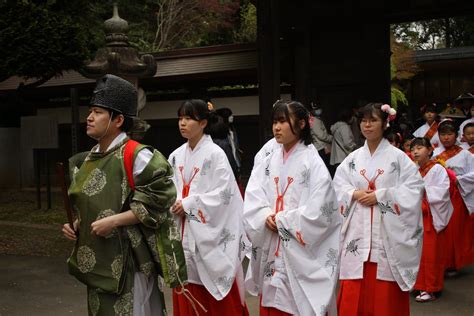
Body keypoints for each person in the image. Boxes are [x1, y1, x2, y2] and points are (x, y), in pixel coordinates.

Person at [62, 74, 186, 316]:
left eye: (98, 112)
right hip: (98, 262)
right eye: (91, 111)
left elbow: (160, 201)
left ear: (118, 119)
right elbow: (92, 204)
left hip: (130, 261)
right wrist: (76, 224)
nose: (89, 117)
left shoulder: (137, 155)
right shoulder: (89, 158)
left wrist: (115, 221)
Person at [244, 100, 341, 316]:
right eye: (274, 122)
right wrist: (264, 216)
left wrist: (281, 220)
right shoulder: (268, 160)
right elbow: (253, 195)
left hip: (298, 253)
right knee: (272, 298)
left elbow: (321, 213)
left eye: (282, 122)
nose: (276, 128)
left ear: (302, 124)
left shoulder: (313, 163)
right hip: (272, 244)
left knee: (296, 304)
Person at [333, 102, 424, 316]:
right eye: (363, 120)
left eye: (373, 120)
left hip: (386, 235)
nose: (367, 125)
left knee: (384, 296)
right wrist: (354, 194)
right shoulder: (353, 159)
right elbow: (337, 186)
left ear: (385, 123)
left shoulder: (399, 158)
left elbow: (414, 188)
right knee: (354, 289)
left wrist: (381, 196)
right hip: (357, 231)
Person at [168, 99, 250, 316]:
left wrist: (189, 204)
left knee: (215, 289)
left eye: (188, 118)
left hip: (207, 237)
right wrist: (173, 202)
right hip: (183, 232)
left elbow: (224, 197)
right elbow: (168, 188)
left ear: (203, 123)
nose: (182, 123)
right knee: (186, 280)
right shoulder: (175, 156)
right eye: (180, 118)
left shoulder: (215, 154)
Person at [410, 137, 453, 302]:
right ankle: (418, 283)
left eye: (420, 148)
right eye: (413, 149)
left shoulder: (437, 169)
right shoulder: (412, 169)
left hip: (430, 216)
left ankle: (430, 287)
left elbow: (442, 192)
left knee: (430, 254)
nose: (415, 151)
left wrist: (420, 190)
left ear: (429, 150)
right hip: (414, 216)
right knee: (415, 253)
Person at [433, 119, 474, 274]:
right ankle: (439, 262)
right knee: (439, 229)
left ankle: (452, 263)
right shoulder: (433, 153)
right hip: (438, 194)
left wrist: (458, 180)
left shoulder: (465, 154)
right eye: (443, 134)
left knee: (454, 230)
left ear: (456, 135)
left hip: (456, 194)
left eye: (449, 134)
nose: (446, 138)